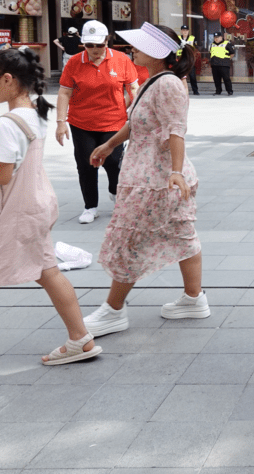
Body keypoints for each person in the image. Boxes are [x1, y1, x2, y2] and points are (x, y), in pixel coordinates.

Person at [83, 23, 209, 336]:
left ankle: (113, 310)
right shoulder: (154, 81)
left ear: (157, 52)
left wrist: (176, 172)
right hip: (154, 176)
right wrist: (110, 144)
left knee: (130, 241)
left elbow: (176, 129)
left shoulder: (166, 85)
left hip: (156, 180)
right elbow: (138, 124)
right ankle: (194, 300)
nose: (132, 49)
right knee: (182, 235)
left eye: (138, 46)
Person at [0, 47, 101, 365]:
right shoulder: (33, 111)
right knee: (47, 271)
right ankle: (81, 339)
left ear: (6, 79)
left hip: (15, 214)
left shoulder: (9, 121)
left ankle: (81, 339)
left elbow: (2, 171)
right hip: (37, 206)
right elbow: (8, 143)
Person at [55, 20, 139, 224]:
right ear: (84, 44)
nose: (94, 49)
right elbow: (64, 92)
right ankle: (90, 206)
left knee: (112, 162)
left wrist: (136, 115)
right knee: (86, 164)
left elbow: (134, 89)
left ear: (106, 41)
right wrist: (60, 122)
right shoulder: (74, 62)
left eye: (99, 44)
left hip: (114, 121)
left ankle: (114, 190)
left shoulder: (121, 60)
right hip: (81, 122)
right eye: (89, 45)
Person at [209, 31, 234, 95]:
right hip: (214, 64)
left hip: (224, 64)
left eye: (218, 37)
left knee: (226, 79)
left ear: (221, 37)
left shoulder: (227, 43)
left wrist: (228, 60)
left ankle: (229, 91)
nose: (216, 39)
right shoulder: (212, 44)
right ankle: (218, 91)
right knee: (216, 79)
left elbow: (232, 53)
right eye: (215, 37)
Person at [178, 25, 199, 95]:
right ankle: (180, 91)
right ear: (181, 31)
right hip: (180, 59)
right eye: (183, 30)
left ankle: (195, 91)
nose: (185, 32)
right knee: (181, 76)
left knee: (192, 76)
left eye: (186, 30)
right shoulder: (178, 38)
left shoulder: (192, 38)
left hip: (189, 59)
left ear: (188, 31)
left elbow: (196, 49)